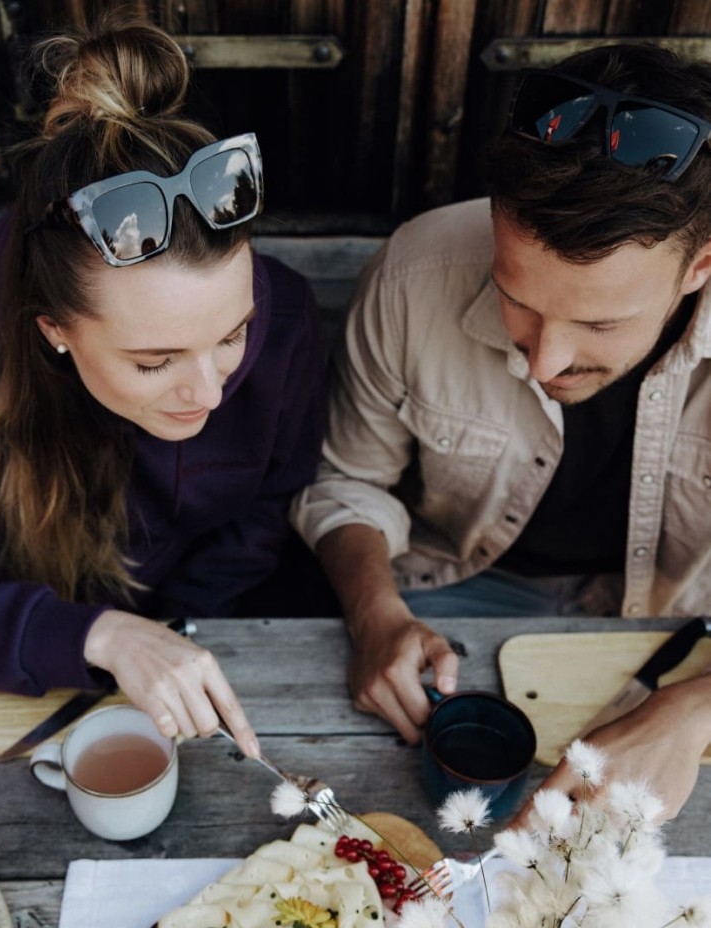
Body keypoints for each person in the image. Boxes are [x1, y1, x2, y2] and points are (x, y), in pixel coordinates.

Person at [290, 41, 711, 818]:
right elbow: (348, 481)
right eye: (516, 296)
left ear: (699, 268)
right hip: (455, 603)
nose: (545, 357)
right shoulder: (415, 275)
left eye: (598, 321)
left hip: (688, 637)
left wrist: (693, 710)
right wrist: (374, 608)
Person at [0, 13, 328, 756]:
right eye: (154, 362)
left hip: (202, 648)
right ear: (53, 330)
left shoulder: (285, 320)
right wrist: (93, 634)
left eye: (232, 336)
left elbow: (265, 509)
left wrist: (174, 634)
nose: (210, 392)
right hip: (9, 688)